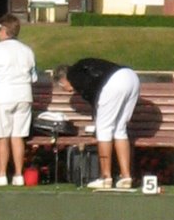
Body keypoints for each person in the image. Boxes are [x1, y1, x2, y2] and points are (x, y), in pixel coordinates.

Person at [53, 58, 140, 190]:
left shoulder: (74, 75)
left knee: (104, 131)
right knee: (119, 130)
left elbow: (94, 94)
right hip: (131, 77)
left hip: (114, 83)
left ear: (62, 80)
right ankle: (126, 177)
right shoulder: (82, 69)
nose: (67, 90)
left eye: (62, 87)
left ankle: (105, 177)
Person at [0, 13, 37, 187]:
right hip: (24, 95)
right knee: (18, 136)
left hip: (2, 95)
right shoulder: (27, 51)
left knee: (2, 137)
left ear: (4, 30)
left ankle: (2, 174)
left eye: (0, 30)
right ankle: (18, 175)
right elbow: (33, 77)